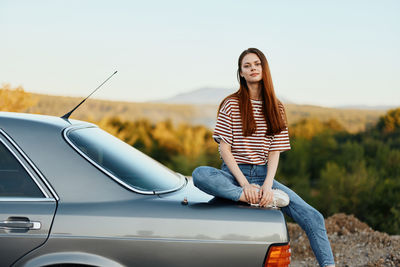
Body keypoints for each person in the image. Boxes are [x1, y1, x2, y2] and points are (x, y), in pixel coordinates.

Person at [192, 48, 335, 267]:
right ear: (241, 73)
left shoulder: (276, 107)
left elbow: (274, 151)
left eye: (257, 64)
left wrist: (267, 186)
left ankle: (329, 265)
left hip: (263, 175)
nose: (252, 69)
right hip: (233, 174)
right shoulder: (230, 104)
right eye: (247, 66)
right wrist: (244, 186)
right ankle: (251, 198)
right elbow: (225, 149)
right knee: (200, 174)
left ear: (264, 68)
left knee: (314, 217)